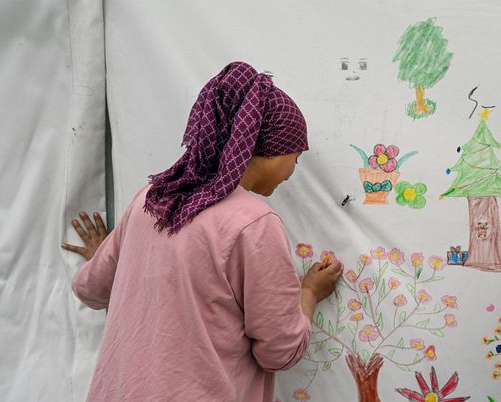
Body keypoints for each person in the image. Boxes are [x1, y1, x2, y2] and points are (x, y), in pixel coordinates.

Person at [61, 62, 343, 402]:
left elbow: (90, 289)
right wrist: (309, 292)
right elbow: (279, 353)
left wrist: (108, 255)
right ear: (269, 150)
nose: (294, 169)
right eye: (295, 155)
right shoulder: (254, 224)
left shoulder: (151, 200)